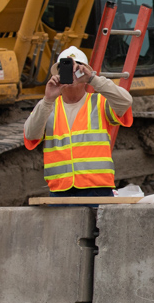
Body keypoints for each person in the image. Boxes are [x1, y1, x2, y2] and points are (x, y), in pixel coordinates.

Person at [23, 46, 133, 199]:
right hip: (60, 190)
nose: (72, 73)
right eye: (67, 69)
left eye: (77, 69)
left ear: (84, 72)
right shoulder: (48, 107)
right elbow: (31, 134)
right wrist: (47, 99)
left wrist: (93, 80)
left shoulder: (99, 103)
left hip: (97, 188)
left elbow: (126, 101)